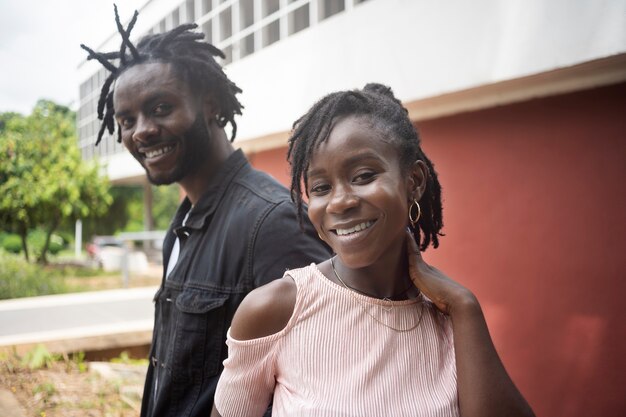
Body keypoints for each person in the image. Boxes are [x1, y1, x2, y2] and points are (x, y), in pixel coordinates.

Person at [212, 83, 536, 417]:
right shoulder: (275, 310)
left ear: (414, 181)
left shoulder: (451, 318)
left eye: (364, 175)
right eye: (321, 187)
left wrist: (465, 307)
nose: (341, 201)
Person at [80, 6, 330, 417]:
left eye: (160, 108)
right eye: (126, 119)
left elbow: (320, 387)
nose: (140, 130)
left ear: (211, 105)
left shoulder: (271, 223)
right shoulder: (181, 226)